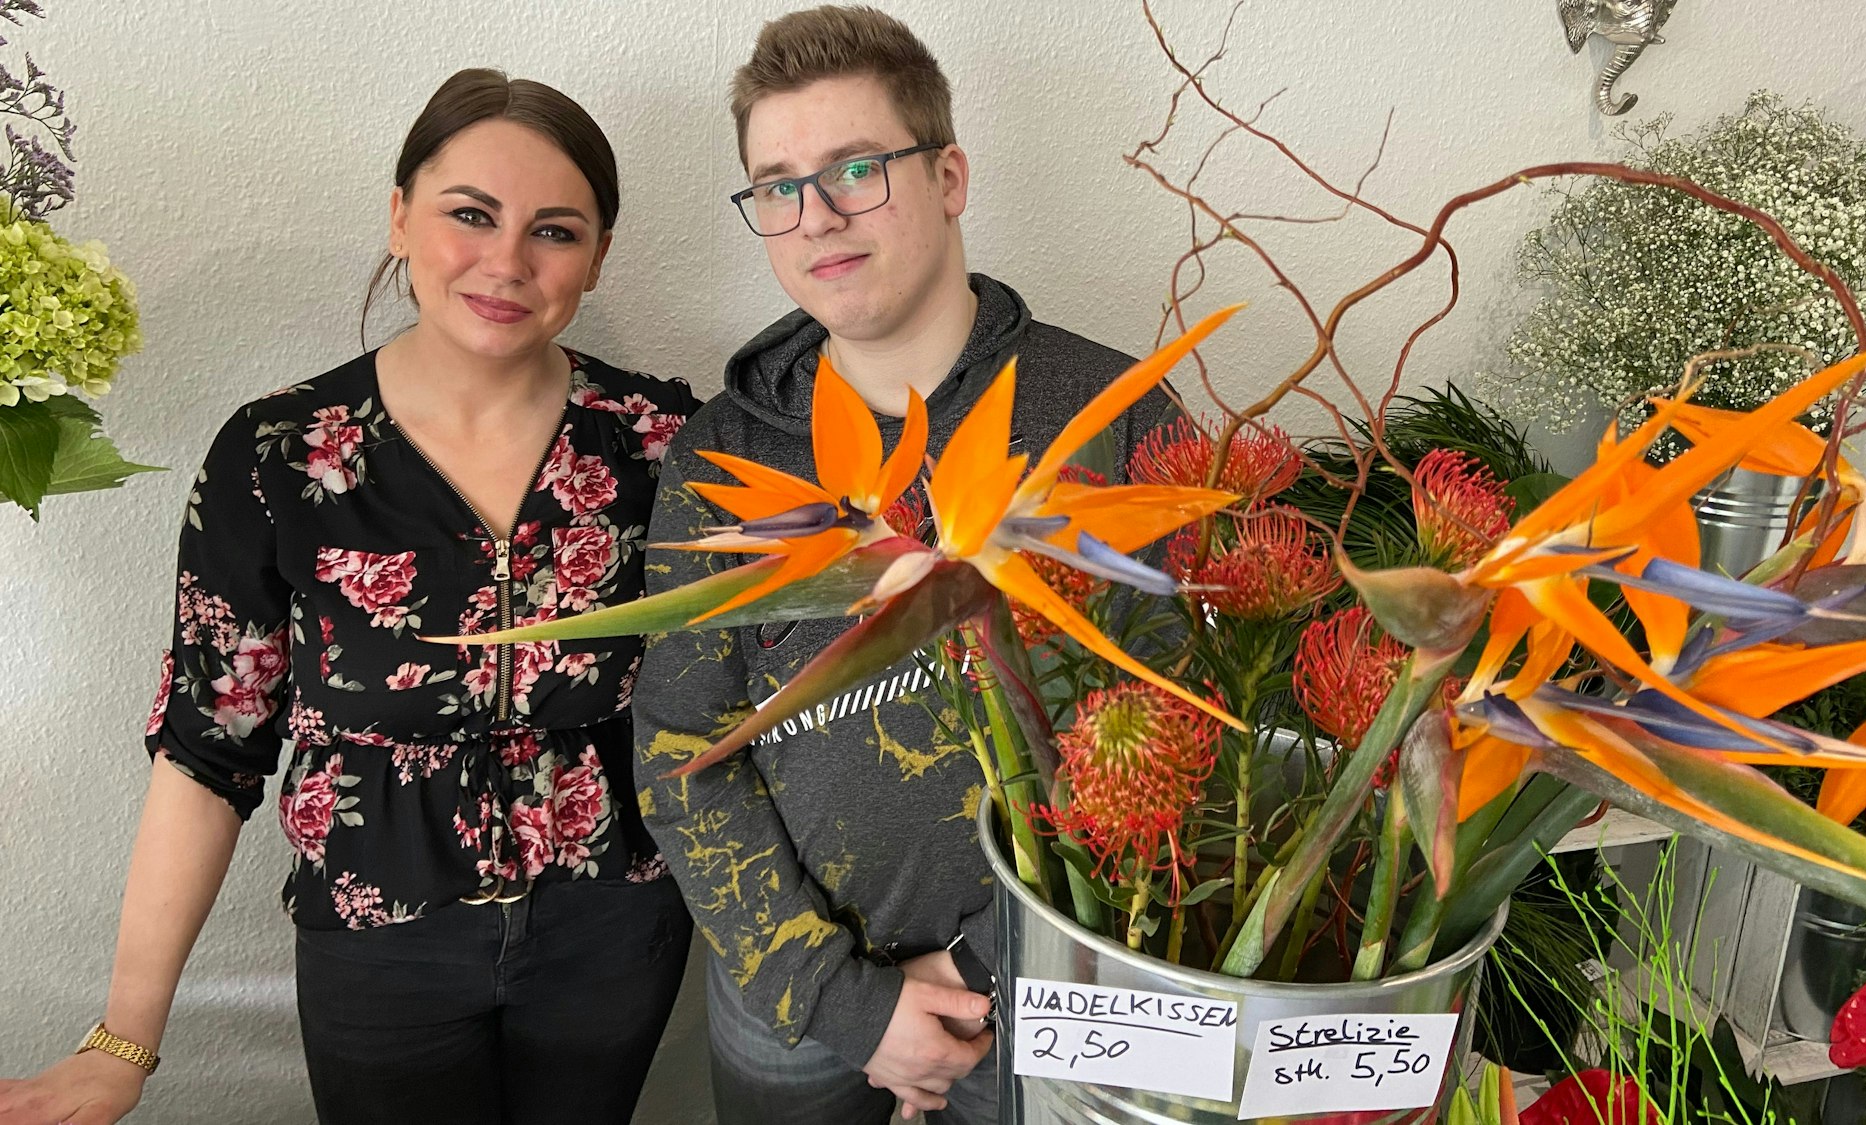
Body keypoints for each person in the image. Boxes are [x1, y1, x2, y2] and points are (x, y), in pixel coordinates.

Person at [0, 69, 696, 1125]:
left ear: (597, 256)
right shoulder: (276, 453)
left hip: (615, 931)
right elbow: (208, 745)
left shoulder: (664, 439)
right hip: (378, 946)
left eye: (554, 231)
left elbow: (749, 694)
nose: (505, 262)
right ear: (400, 216)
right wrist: (123, 1041)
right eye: (471, 214)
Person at [632, 8, 1176, 1123]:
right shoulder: (717, 458)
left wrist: (982, 967)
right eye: (776, 185)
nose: (816, 216)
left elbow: (1183, 714)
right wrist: (835, 997)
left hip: (1050, 976)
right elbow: (682, 747)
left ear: (949, 177)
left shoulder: (1110, 416)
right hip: (795, 996)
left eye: (856, 169)